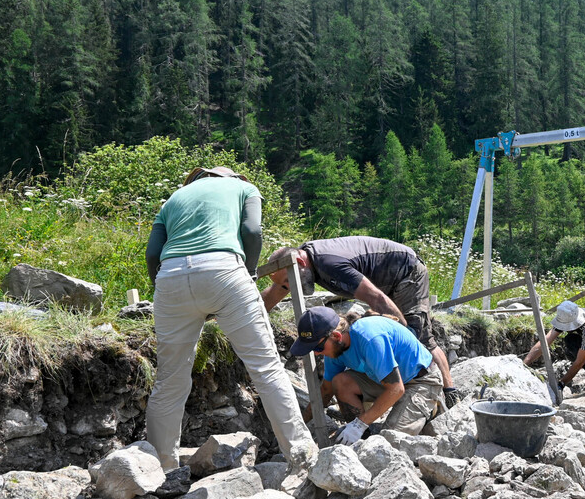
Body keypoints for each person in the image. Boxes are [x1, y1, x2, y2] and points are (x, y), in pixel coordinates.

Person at [144, 166, 316, 471]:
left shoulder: (173, 199)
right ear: (233, 178)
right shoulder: (245, 189)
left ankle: (162, 470)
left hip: (170, 278)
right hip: (224, 270)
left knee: (170, 381)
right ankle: (302, 457)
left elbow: (153, 253)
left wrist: (166, 288)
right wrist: (248, 273)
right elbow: (252, 232)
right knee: (265, 368)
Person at [260, 237, 460, 406]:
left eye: (288, 281)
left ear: (300, 264)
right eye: (284, 284)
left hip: (406, 272)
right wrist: (247, 319)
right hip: (383, 280)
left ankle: (447, 391)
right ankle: (395, 393)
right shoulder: (297, 266)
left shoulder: (329, 264)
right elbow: (272, 294)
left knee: (419, 335)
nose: (289, 286)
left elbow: (377, 298)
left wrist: (404, 332)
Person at [289, 306, 443, 444]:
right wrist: (298, 428)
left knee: (389, 442)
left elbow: (396, 389)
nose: (316, 352)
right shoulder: (335, 349)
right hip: (386, 380)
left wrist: (359, 425)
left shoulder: (370, 338)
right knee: (340, 382)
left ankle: (430, 409)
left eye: (318, 346)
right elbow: (326, 391)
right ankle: (364, 438)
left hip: (420, 381)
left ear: (336, 336)